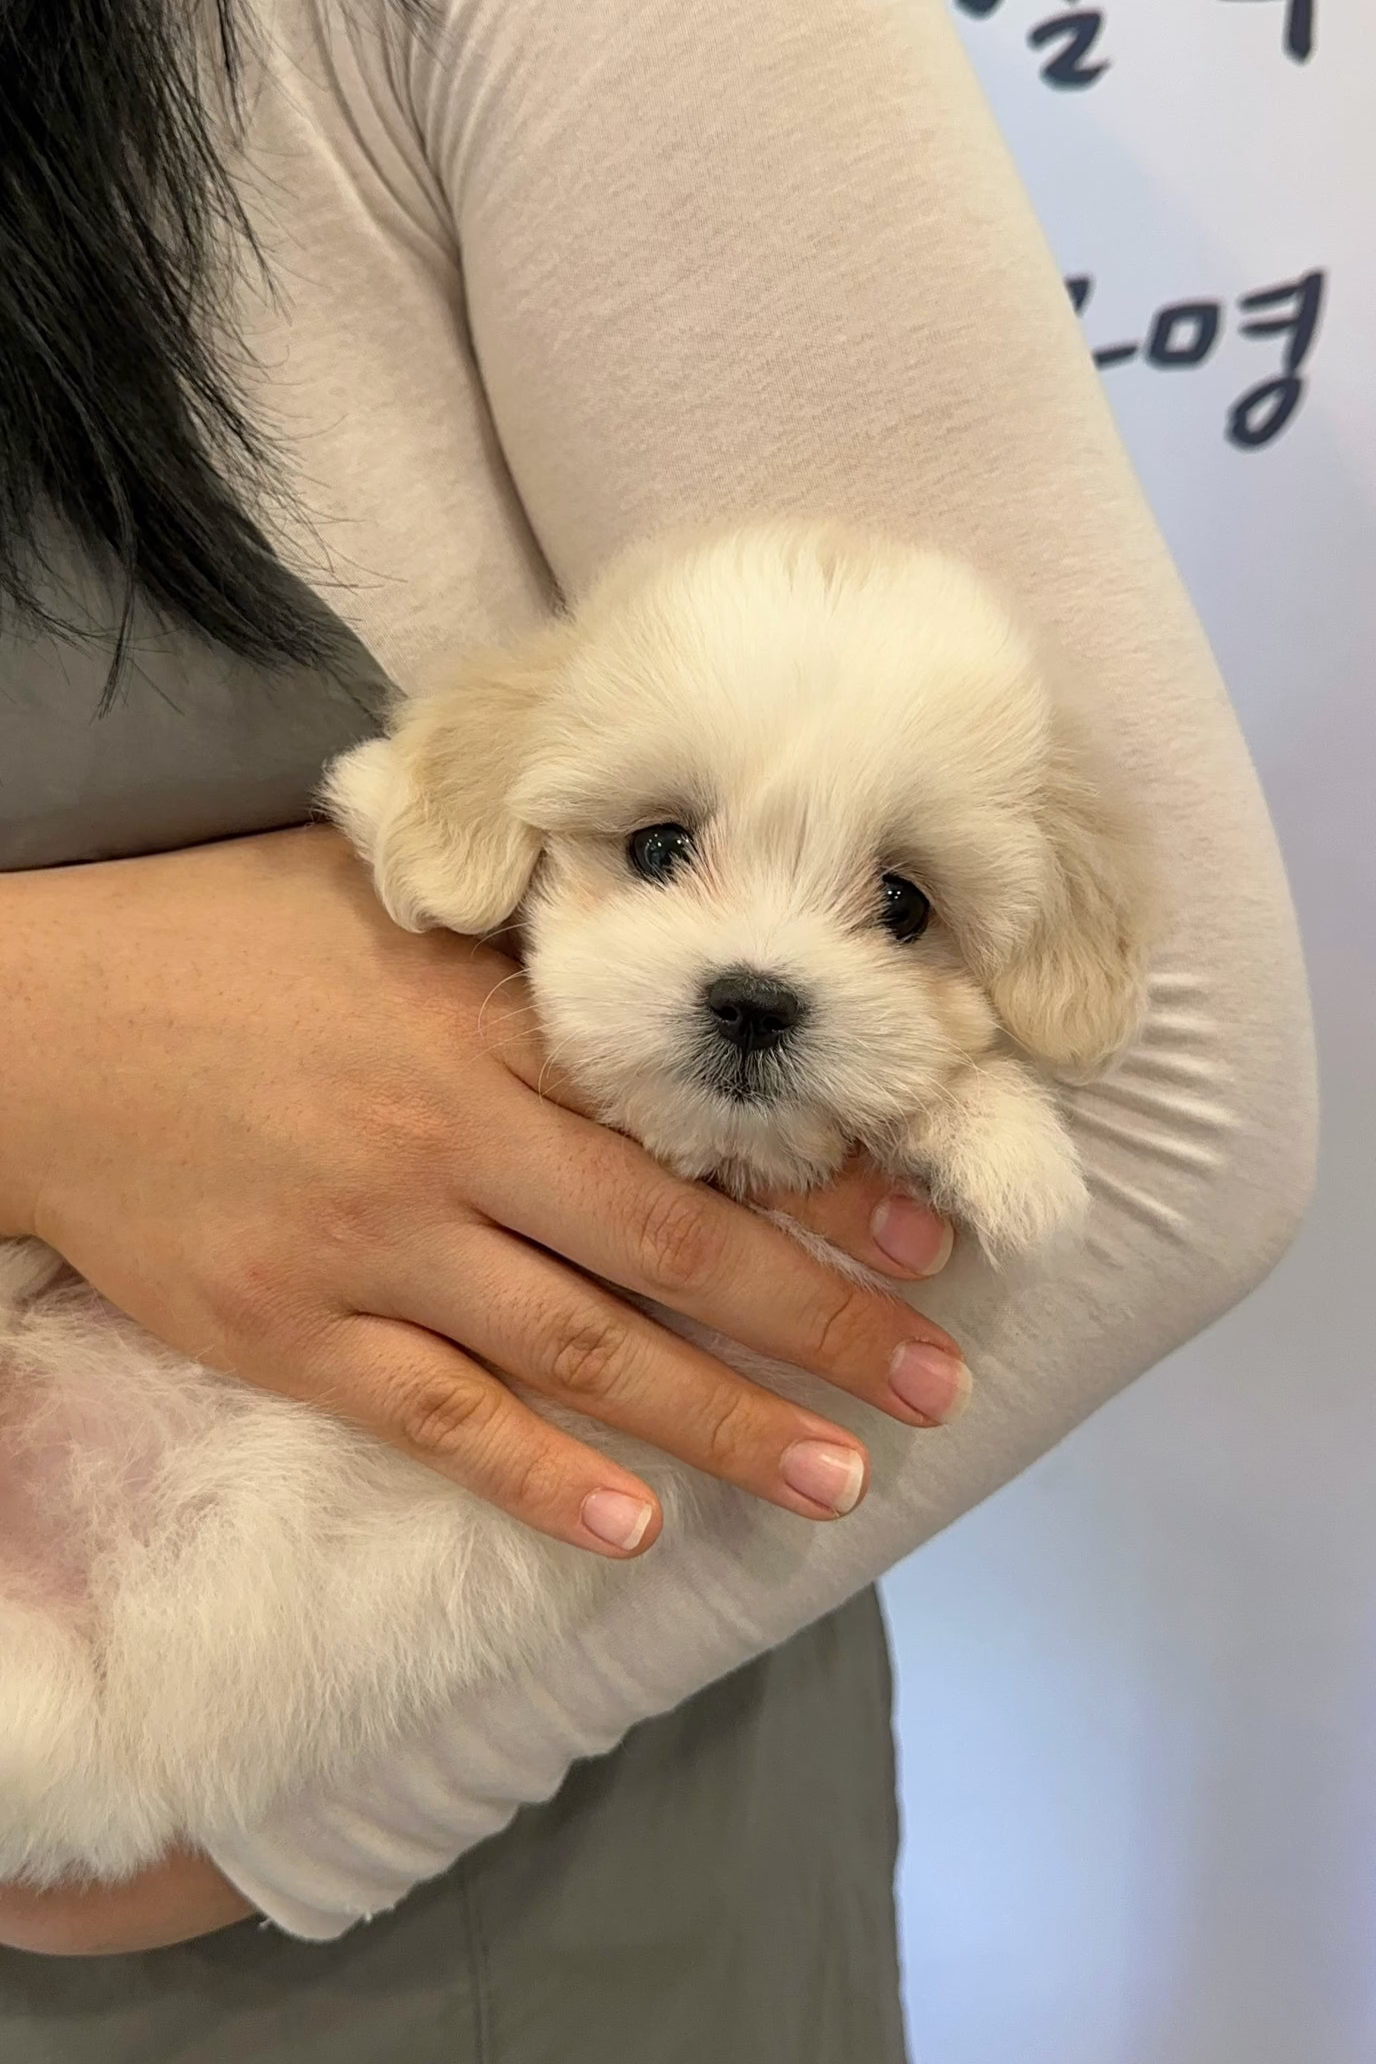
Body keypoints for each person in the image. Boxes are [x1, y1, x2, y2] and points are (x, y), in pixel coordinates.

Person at [0, 0, 1315, 2055]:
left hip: (393, 1919)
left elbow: (1165, 1106)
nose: (766, 956)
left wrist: (277, 1808)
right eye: (669, 843)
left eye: (891, 903)